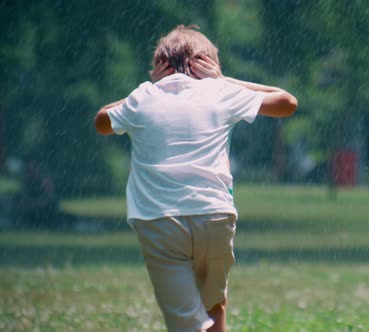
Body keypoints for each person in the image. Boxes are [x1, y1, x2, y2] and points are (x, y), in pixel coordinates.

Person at [94, 25, 297, 332]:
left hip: (160, 221)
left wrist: (152, 86)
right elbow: (287, 102)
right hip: (214, 216)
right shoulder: (220, 91)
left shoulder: (142, 97)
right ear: (206, 63)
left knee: (187, 325)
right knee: (214, 306)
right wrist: (223, 80)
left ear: (160, 65)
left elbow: (101, 121)